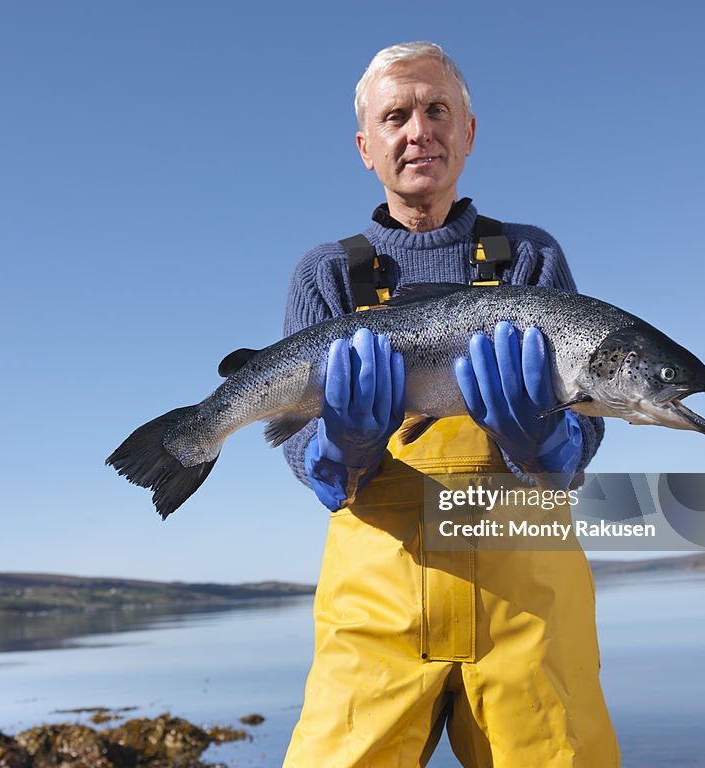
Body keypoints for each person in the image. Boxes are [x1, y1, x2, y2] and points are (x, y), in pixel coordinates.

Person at [280, 42, 620, 767]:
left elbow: (587, 431)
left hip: (530, 618)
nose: (418, 130)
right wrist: (341, 450)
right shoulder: (326, 273)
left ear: (469, 133)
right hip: (375, 615)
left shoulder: (531, 258)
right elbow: (299, 454)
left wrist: (547, 447)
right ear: (365, 146)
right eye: (395, 115)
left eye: (438, 110)